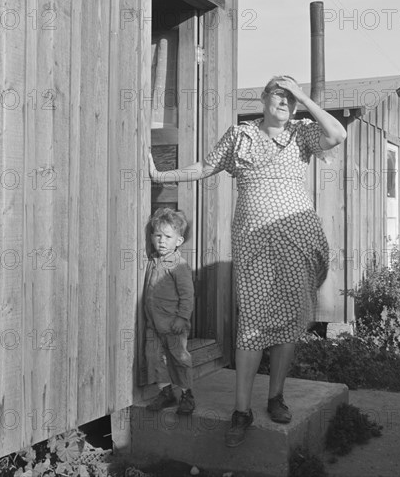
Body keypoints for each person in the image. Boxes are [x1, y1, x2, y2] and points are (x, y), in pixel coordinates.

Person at [149, 75, 347, 446]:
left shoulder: (302, 132)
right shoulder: (240, 136)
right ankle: (242, 409)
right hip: (254, 238)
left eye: (291, 97)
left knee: (290, 317)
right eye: (279, 94)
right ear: (263, 98)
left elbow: (337, 135)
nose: (285, 101)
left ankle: (275, 396)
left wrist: (304, 95)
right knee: (253, 320)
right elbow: (204, 167)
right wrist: (162, 174)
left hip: (297, 236)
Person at [143, 207, 196, 415]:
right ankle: (166, 393)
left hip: (174, 324)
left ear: (179, 241)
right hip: (153, 325)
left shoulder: (179, 266)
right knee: (154, 358)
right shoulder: (153, 261)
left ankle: (187, 395)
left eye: (167, 236)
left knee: (179, 358)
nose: (162, 241)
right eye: (157, 235)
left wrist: (183, 317)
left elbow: (187, 295)